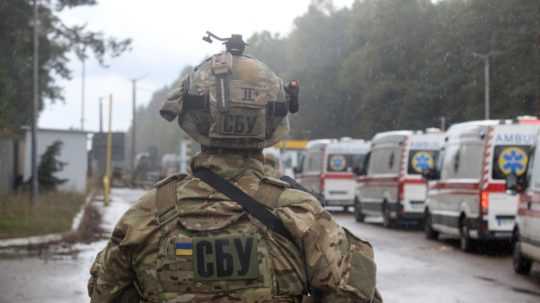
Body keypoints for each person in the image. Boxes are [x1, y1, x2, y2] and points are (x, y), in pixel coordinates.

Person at [88, 33, 382, 303]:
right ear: (272, 118)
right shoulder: (302, 214)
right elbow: (356, 295)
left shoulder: (148, 213)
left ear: (192, 116)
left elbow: (103, 294)